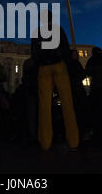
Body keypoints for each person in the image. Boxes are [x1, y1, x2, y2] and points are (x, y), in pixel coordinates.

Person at [31, 10, 79, 151]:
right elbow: (65, 48)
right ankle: (73, 141)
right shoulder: (58, 30)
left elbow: (34, 52)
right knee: (67, 102)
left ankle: (45, 142)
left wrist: (39, 62)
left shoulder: (36, 32)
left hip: (43, 68)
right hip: (59, 66)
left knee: (44, 105)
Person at [66, 49, 88, 141]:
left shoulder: (68, 64)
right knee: (79, 110)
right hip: (77, 89)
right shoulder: (75, 64)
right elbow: (82, 74)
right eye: (76, 54)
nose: (78, 56)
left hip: (73, 89)